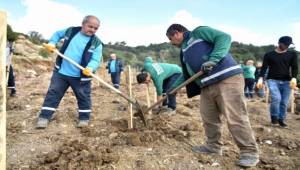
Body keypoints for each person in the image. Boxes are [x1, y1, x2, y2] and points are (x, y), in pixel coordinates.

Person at [166, 24, 259, 167]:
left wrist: (213, 59)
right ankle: (213, 146)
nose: (171, 43)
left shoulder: (198, 32)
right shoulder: (183, 51)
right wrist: (173, 89)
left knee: (235, 116)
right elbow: (186, 75)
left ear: (177, 33)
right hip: (206, 85)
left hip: (226, 79)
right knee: (209, 118)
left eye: (171, 39)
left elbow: (224, 37)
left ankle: (249, 152)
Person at [36, 15, 103, 128]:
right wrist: (52, 43)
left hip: (81, 76)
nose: (92, 30)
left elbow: (96, 60)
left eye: (95, 28)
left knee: (83, 96)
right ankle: (44, 117)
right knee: (53, 93)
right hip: (61, 72)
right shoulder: (71, 31)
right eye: (90, 26)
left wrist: (91, 67)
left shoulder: (97, 43)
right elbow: (57, 34)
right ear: (83, 24)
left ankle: (84, 119)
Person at [256, 36, 298, 127]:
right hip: (272, 80)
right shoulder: (269, 55)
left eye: (288, 45)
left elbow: (295, 67)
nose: (287, 46)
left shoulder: (292, 54)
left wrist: (294, 77)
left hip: (287, 81)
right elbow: (264, 68)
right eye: (285, 44)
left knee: (284, 102)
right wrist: (260, 78)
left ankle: (281, 119)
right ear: (279, 43)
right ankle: (274, 118)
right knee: (276, 99)